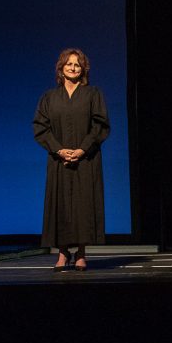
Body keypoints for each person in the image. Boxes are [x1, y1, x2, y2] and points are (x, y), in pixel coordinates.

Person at [33, 47, 110, 271]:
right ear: (61, 68)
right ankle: (62, 253)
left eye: (77, 64)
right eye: (69, 64)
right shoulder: (49, 97)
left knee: (83, 206)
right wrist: (59, 150)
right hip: (59, 161)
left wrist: (82, 150)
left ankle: (81, 254)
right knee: (61, 206)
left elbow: (99, 125)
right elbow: (41, 127)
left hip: (86, 159)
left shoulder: (93, 94)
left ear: (83, 68)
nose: (73, 67)